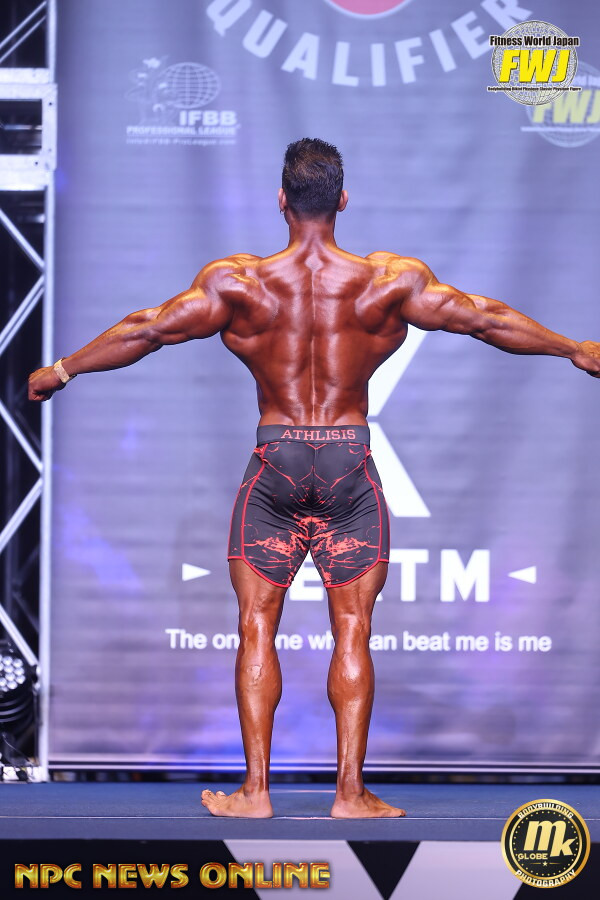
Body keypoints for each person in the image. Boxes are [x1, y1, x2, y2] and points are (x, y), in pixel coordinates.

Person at [28, 137, 600, 819]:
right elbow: (484, 318)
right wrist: (573, 348)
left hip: (276, 460)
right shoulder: (389, 281)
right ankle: (350, 794)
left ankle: (255, 793)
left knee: (255, 626)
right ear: (342, 200)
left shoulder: (238, 283)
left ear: (281, 200)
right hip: (348, 461)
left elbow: (147, 328)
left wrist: (62, 369)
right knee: (352, 627)